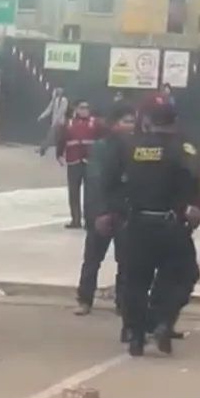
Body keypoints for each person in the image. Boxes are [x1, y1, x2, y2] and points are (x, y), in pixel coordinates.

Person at [97, 93, 200, 357]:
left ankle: (135, 333)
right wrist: (195, 208)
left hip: (136, 224)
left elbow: (109, 182)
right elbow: (194, 184)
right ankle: (161, 321)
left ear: (146, 119)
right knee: (182, 276)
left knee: (135, 281)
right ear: (175, 119)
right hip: (172, 226)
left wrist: (109, 212)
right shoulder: (185, 147)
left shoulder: (129, 145)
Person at [75, 102, 135, 321]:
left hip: (125, 212)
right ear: (113, 124)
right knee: (92, 259)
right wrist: (98, 213)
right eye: (126, 121)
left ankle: (123, 302)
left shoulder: (136, 148)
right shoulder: (101, 147)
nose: (130, 126)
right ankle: (84, 299)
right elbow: (94, 181)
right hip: (103, 212)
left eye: (132, 121)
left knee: (126, 261)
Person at [55, 99, 100, 229]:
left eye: (87, 107)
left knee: (90, 193)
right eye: (82, 107)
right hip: (73, 161)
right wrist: (59, 154)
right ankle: (76, 220)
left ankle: (89, 220)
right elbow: (62, 140)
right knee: (74, 192)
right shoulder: (69, 124)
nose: (84, 110)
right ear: (76, 109)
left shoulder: (95, 124)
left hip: (90, 162)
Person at [38, 87, 68, 157]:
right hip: (54, 123)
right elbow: (49, 109)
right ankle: (43, 150)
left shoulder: (64, 100)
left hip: (60, 123)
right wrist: (42, 116)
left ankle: (43, 150)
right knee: (55, 138)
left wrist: (55, 122)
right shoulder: (55, 100)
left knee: (54, 137)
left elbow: (62, 111)